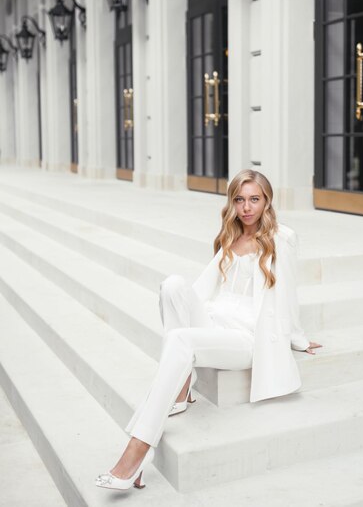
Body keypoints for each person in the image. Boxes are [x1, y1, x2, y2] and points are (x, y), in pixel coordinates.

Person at [95, 169, 322, 491]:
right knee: (172, 285)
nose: (246, 208)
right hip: (216, 323)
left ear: (267, 202)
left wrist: (297, 339)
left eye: (254, 199)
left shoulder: (281, 238)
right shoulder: (231, 236)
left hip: (245, 338)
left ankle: (139, 447)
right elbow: (206, 288)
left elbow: (288, 294)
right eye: (240, 200)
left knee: (179, 338)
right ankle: (183, 384)